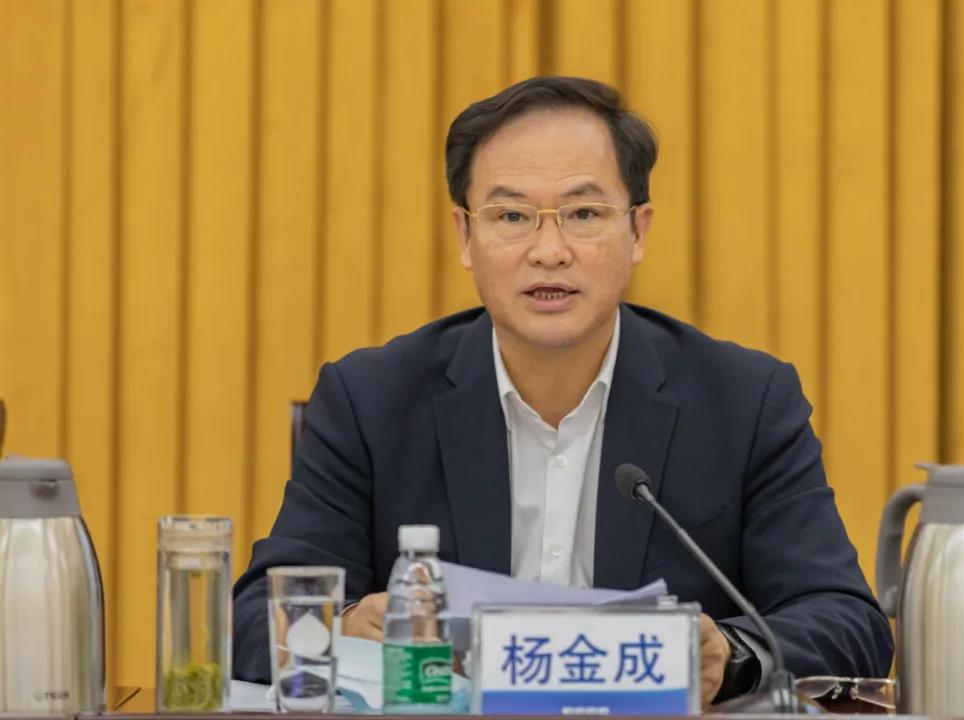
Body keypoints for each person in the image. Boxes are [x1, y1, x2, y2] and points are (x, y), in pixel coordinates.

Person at [233, 76, 894, 705]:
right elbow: (254, 619)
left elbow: (847, 623)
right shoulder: (371, 401)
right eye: (511, 215)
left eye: (583, 213)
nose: (549, 251)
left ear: (638, 231)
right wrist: (344, 628)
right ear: (465, 235)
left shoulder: (744, 402)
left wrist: (733, 654)